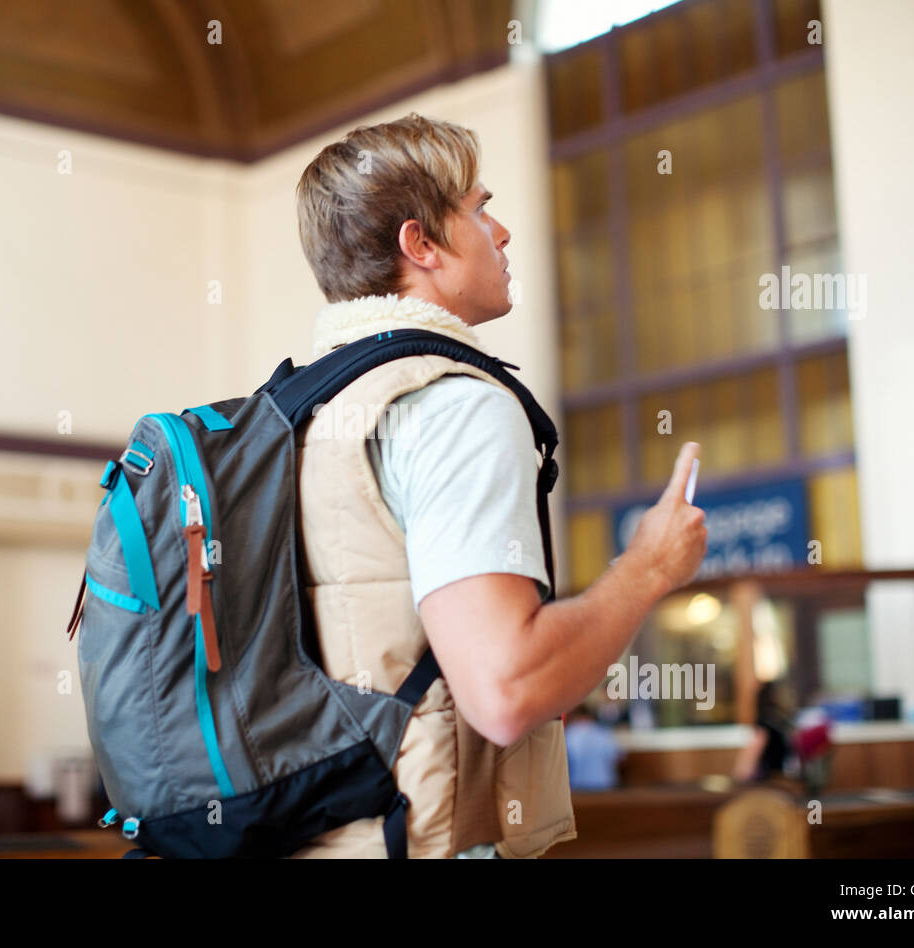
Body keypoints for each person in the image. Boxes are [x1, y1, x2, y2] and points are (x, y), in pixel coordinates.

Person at [289, 113, 707, 858]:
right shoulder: (452, 403)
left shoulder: (296, 417)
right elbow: (505, 689)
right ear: (420, 245)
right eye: (480, 209)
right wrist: (648, 567)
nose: (503, 231)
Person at [732, 681, 793, 783]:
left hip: (767, 783)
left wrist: (738, 777)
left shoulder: (765, 725)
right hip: (780, 780)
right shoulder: (782, 723)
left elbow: (747, 764)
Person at [564, 704, 625, 791]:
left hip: (578, 789)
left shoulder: (569, 734)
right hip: (605, 787)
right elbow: (619, 757)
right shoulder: (603, 733)